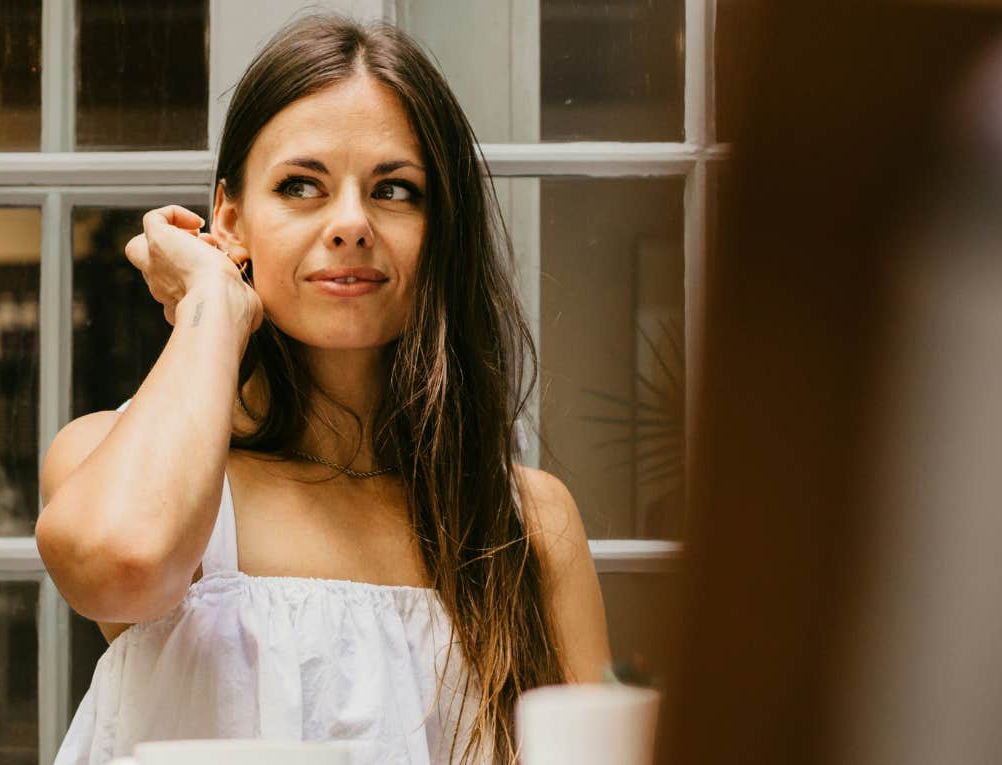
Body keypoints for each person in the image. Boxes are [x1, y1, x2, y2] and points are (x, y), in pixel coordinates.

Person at [38, 15, 610, 765]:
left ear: (442, 230)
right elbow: (124, 563)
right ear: (231, 219)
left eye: (395, 190)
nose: (350, 223)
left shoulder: (527, 523)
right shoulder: (114, 459)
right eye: (301, 186)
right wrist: (214, 301)